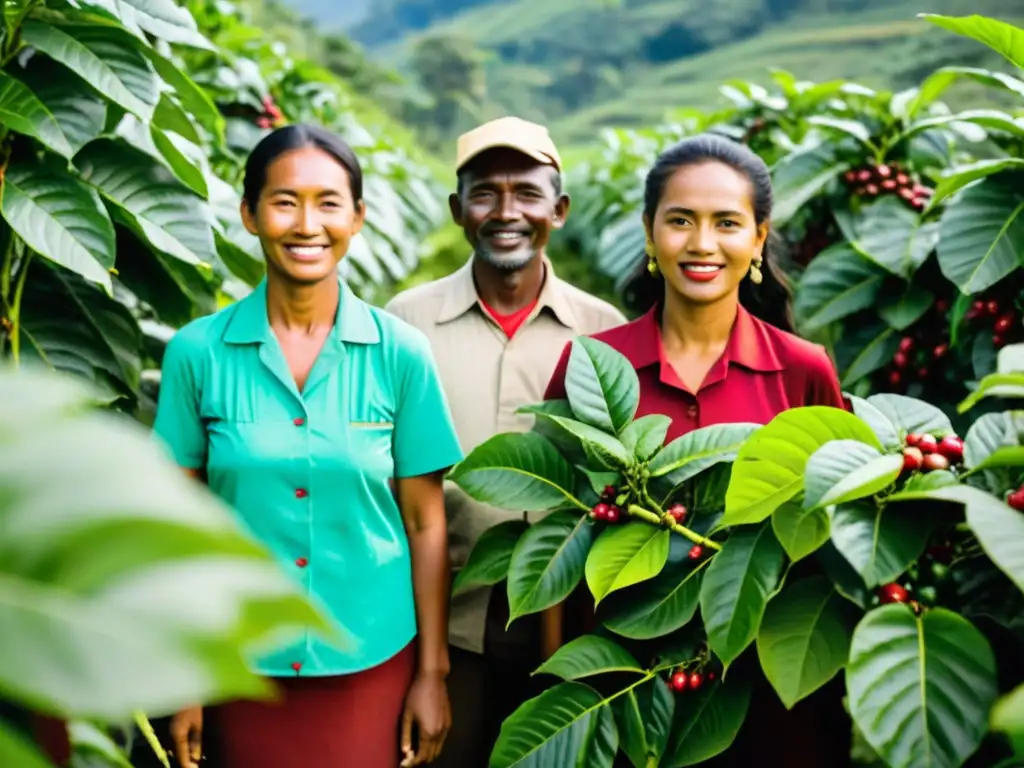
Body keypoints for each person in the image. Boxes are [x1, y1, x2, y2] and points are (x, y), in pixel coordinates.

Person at [152, 124, 463, 768]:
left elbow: (426, 523)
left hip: (369, 653)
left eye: (328, 202)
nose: (306, 224)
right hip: (236, 654)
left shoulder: (400, 355)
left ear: (358, 218)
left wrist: (433, 672)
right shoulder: (197, 353)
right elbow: (173, 526)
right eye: (284, 201)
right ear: (249, 214)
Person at [542, 133, 849, 766]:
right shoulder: (593, 367)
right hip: (624, 685)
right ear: (650, 233)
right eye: (680, 220)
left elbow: (829, 534)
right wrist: (561, 681)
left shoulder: (802, 371)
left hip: (770, 698)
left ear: (759, 238)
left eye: (727, 223)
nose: (703, 243)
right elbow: (556, 538)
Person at [385, 116, 627, 767]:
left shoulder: (604, 335)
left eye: (526, 192)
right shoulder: (404, 325)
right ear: (457, 209)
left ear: (560, 209)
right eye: (485, 192)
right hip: (440, 620)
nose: (506, 211)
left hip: (564, 624)